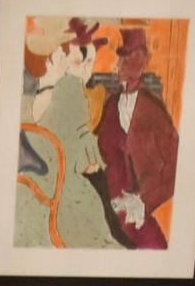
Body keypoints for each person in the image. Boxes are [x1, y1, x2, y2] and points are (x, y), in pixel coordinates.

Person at [15, 19, 116, 249]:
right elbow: (84, 159)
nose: (86, 71)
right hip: (59, 194)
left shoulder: (36, 93)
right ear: (56, 57)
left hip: (36, 191)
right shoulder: (70, 89)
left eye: (90, 63)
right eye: (78, 62)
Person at [92, 26, 178, 250]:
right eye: (119, 59)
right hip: (105, 198)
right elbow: (99, 148)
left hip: (136, 209)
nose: (117, 65)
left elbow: (176, 167)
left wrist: (144, 201)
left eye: (124, 59)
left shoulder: (153, 112)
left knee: (154, 246)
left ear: (138, 63)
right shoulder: (111, 105)